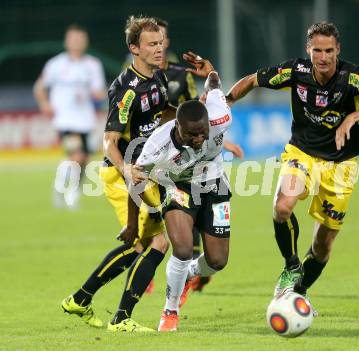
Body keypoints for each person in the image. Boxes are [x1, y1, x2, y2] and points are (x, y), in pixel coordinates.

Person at [225, 22, 359, 308]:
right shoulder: (296, 72)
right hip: (302, 153)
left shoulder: (352, 77)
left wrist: (353, 118)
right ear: (309, 50)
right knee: (282, 207)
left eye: (329, 50)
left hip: (341, 165)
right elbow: (253, 79)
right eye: (317, 50)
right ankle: (291, 265)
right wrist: (228, 100)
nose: (323, 57)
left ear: (338, 50)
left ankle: (299, 292)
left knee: (323, 245)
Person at [61, 16, 175, 333]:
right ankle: (115, 315)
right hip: (121, 174)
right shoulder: (127, 90)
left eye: (161, 42)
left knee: (155, 243)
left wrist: (191, 115)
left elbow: (162, 112)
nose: (159, 48)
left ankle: (83, 301)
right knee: (142, 243)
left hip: (143, 174)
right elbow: (108, 141)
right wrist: (125, 168)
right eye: (151, 44)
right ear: (134, 48)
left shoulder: (159, 77)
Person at [124, 60, 232, 332]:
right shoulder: (156, 147)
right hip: (179, 187)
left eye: (202, 134)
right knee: (182, 249)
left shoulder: (221, 118)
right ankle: (170, 310)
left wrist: (210, 74)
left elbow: (215, 85)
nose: (198, 140)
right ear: (177, 127)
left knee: (218, 261)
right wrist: (132, 223)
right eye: (191, 135)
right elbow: (135, 182)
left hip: (215, 185)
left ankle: (189, 274)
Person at [34, 24, 106, 209]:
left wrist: (101, 95)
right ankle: (71, 193)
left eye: (80, 39)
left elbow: (99, 91)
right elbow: (39, 87)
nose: (77, 42)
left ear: (86, 41)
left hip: (85, 120)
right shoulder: (56, 64)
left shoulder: (93, 65)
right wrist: (44, 104)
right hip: (65, 120)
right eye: (74, 39)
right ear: (66, 41)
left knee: (83, 160)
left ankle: (61, 187)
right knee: (76, 155)